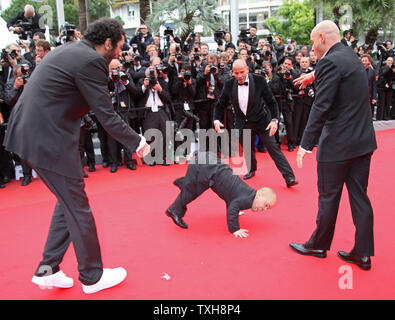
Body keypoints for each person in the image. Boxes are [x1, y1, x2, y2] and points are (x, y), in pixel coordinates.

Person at [4, 18, 151, 293]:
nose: (120, 53)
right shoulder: (90, 61)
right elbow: (106, 114)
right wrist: (137, 142)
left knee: (68, 202)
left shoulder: (71, 50)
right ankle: (92, 276)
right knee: (77, 206)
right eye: (118, 47)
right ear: (107, 43)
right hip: (46, 139)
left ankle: (48, 269)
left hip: (35, 134)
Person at [290, 20, 377, 271]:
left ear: (321, 37)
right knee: (360, 197)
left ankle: (318, 245)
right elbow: (340, 71)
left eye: (312, 41)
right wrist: (314, 74)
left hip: (338, 146)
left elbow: (321, 106)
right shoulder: (351, 56)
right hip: (363, 143)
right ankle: (363, 254)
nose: (311, 47)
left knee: (328, 198)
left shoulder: (329, 62)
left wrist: (306, 143)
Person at [214, 59, 298, 186]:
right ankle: (252, 170)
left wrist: (275, 119)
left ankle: (289, 177)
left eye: (242, 72)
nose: (239, 76)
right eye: (236, 73)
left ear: (247, 69)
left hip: (262, 121)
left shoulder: (259, 80)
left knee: (274, 149)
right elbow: (220, 105)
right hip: (243, 122)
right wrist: (216, 119)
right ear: (232, 73)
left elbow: (271, 102)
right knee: (248, 151)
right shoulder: (229, 84)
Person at [165, 152, 277, 238]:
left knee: (195, 185)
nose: (265, 209)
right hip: (206, 167)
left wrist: (237, 209)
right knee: (192, 192)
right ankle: (174, 210)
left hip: (208, 162)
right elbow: (233, 207)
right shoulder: (247, 200)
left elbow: (232, 197)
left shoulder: (249, 194)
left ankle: (184, 182)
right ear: (260, 195)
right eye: (266, 205)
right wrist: (235, 229)